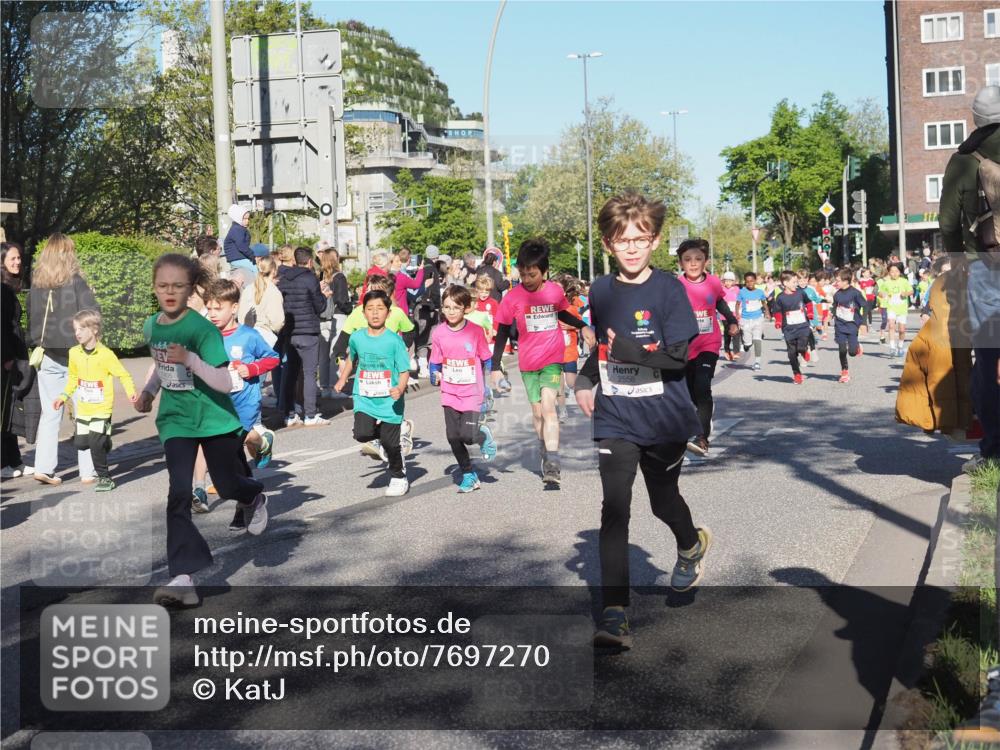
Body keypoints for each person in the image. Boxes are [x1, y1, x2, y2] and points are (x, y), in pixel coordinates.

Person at [575, 193, 710, 650]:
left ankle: (690, 544)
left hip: (664, 416)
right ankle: (615, 614)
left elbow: (678, 359)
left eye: (640, 239)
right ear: (609, 243)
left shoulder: (670, 288)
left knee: (662, 501)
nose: (631, 248)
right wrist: (584, 379)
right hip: (616, 414)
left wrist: (636, 352)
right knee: (615, 506)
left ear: (653, 240)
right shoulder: (600, 290)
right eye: (621, 240)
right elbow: (604, 347)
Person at [136, 254, 268, 607]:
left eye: (177, 286)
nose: (169, 292)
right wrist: (149, 392)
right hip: (177, 421)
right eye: (162, 285)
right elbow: (158, 362)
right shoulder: (152, 326)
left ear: (190, 289)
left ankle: (252, 494)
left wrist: (191, 360)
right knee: (179, 493)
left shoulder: (203, 330)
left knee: (227, 485)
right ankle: (183, 577)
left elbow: (226, 382)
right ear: (154, 288)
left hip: (214, 419)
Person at [490, 239, 595, 486]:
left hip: (552, 359)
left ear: (544, 271)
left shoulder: (554, 291)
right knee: (537, 414)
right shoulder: (513, 297)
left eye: (533, 274)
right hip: (528, 362)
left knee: (549, 407)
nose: (527, 279)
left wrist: (583, 327)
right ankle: (545, 449)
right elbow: (503, 332)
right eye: (523, 274)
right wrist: (495, 368)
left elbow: (562, 312)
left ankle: (553, 463)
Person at [939, 84, 1000, 480]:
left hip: (985, 267)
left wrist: (956, 260)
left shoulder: (964, 160)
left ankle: (993, 451)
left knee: (988, 359)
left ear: (975, 120)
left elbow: (947, 221)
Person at [27, 233, 100, 485]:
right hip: (76, 356)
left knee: (50, 414)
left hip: (47, 354)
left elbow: (31, 321)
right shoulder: (76, 282)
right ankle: (88, 471)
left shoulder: (36, 285)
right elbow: (92, 316)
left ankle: (44, 467)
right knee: (86, 413)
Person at [333, 289, 411, 497]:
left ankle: (398, 476)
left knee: (390, 443)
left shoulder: (394, 340)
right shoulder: (357, 338)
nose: (375, 313)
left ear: (388, 312)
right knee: (362, 434)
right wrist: (342, 378)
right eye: (370, 309)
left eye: (380, 309)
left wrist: (400, 388)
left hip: (389, 399)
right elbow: (352, 360)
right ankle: (387, 443)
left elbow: (404, 370)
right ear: (363, 312)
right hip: (365, 396)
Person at [52, 310, 137, 491]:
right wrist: (63, 396)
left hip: (101, 407)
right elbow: (73, 378)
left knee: (95, 444)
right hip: (83, 408)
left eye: (82, 328)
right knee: (82, 444)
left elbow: (123, 375)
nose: (78, 333)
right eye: (75, 329)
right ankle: (106, 440)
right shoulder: (74, 353)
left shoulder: (106, 354)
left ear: (94, 329)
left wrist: (131, 393)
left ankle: (105, 478)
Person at [203, 279, 278, 475]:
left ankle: (242, 487)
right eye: (209, 309)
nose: (212, 314)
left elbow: (273, 358)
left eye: (218, 309)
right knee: (238, 444)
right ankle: (262, 441)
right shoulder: (206, 336)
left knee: (231, 446)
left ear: (234, 307)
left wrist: (252, 368)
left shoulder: (248, 335)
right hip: (219, 402)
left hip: (245, 400)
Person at [429, 285, 498, 492]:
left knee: (467, 436)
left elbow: (487, 358)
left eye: (456, 307)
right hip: (449, 392)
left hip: (471, 393)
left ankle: (482, 435)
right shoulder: (439, 332)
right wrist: (435, 375)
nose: (450, 312)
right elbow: (435, 361)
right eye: (447, 307)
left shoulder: (475, 331)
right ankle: (468, 474)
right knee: (453, 437)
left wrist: (488, 385)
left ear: (466, 308)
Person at [676, 239, 738, 456]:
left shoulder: (712, 282)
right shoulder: (676, 285)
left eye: (698, 259)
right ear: (680, 263)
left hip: (708, 343)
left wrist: (731, 320)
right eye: (687, 260)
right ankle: (704, 413)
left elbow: (720, 303)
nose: (693, 264)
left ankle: (702, 438)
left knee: (702, 386)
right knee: (690, 392)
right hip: (684, 346)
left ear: (706, 261)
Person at [278, 246, 328, 427]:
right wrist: (324, 295)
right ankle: (310, 414)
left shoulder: (283, 279)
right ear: (308, 261)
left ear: (294, 260)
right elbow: (320, 306)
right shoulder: (310, 278)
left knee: (290, 373)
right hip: (308, 331)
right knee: (308, 374)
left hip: (289, 331)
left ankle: (289, 414)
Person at [1, 242, 32, 478]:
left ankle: (14, 460)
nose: (17, 262)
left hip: (12, 354)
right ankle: (4, 464)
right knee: (4, 409)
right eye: (12, 258)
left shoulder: (9, 287)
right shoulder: (2, 289)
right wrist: (7, 357)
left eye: (19, 258)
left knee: (10, 409)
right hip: (6, 358)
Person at [317, 247, 351, 398]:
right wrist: (351, 309)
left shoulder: (321, 277)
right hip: (337, 317)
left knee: (323, 355)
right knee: (335, 353)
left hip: (322, 317)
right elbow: (342, 300)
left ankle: (324, 387)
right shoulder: (339, 277)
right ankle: (333, 387)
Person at [770, 270, 814, 384]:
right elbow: (777, 312)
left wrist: (810, 313)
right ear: (785, 283)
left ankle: (804, 351)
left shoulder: (800, 293)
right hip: (788, 329)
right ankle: (797, 374)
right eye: (794, 282)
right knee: (791, 353)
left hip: (803, 326)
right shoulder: (780, 297)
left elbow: (808, 303)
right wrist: (778, 322)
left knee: (801, 347)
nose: (796, 284)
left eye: (796, 282)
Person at [238, 255, 285, 347]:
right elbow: (277, 322)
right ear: (274, 271)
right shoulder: (273, 291)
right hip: (266, 339)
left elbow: (241, 316)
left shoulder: (248, 289)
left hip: (247, 336)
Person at [831, 269, 867, 384]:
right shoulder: (837, 294)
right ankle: (844, 371)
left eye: (838, 281)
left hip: (852, 325)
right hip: (840, 325)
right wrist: (831, 315)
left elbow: (865, 306)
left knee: (852, 352)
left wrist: (863, 323)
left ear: (846, 281)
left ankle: (857, 346)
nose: (836, 283)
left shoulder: (855, 293)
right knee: (842, 350)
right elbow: (834, 307)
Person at [735, 271, 769, 370]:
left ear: (755, 281)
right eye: (747, 281)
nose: (750, 283)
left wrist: (767, 312)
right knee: (748, 343)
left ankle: (757, 362)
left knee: (757, 339)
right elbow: (737, 304)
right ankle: (746, 345)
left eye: (752, 281)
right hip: (745, 320)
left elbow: (764, 303)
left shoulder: (760, 292)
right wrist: (737, 314)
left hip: (758, 319)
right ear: (745, 282)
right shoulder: (742, 292)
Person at [878, 263, 913, 358]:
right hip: (891, 308)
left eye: (896, 271)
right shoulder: (886, 282)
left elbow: (911, 291)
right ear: (889, 272)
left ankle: (900, 346)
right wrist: (883, 294)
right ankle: (892, 347)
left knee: (902, 330)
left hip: (902, 309)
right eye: (892, 271)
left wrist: (905, 294)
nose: (894, 273)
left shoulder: (904, 281)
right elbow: (880, 292)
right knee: (891, 326)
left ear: (900, 272)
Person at [223, 205, 256, 277]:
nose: (247, 221)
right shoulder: (237, 229)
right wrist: (252, 256)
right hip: (237, 258)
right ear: (238, 218)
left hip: (238, 257)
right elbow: (242, 246)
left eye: (248, 218)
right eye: (244, 219)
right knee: (257, 269)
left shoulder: (239, 228)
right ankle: (260, 285)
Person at [720, 271, 740, 360]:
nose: (728, 283)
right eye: (726, 281)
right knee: (727, 332)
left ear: (733, 281)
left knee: (736, 332)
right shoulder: (721, 289)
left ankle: (736, 352)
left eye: (730, 281)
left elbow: (741, 301)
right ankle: (727, 350)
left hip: (735, 314)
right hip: (724, 315)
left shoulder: (737, 289)